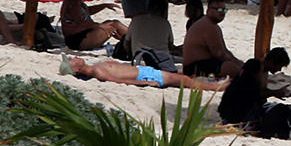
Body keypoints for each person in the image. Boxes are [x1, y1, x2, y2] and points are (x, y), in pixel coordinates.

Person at [66, 54, 222, 91]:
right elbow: (118, 81)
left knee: (182, 77)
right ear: (77, 69)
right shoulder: (97, 72)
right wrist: (145, 83)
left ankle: (212, 83)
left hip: (142, 71)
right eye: (72, 60)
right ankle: (216, 88)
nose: (75, 56)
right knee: (184, 81)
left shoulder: (95, 66)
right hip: (144, 76)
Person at [58, 0, 127, 51]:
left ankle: (130, 39)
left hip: (81, 36)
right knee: (113, 25)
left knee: (113, 24)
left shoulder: (76, 2)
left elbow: (88, 11)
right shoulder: (72, 5)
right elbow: (82, 23)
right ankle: (133, 39)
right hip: (78, 40)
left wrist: (104, 6)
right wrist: (100, 26)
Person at [181, 0, 245, 78]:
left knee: (236, 66)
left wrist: (238, 63)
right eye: (219, 9)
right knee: (231, 68)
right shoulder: (208, 26)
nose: (222, 13)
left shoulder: (211, 25)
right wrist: (238, 64)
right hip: (193, 68)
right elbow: (219, 54)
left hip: (201, 64)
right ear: (208, 10)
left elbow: (223, 51)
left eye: (224, 10)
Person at [125, 0, 177, 67]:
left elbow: (127, 43)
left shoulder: (136, 20)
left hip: (139, 59)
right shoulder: (165, 23)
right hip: (162, 60)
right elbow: (170, 45)